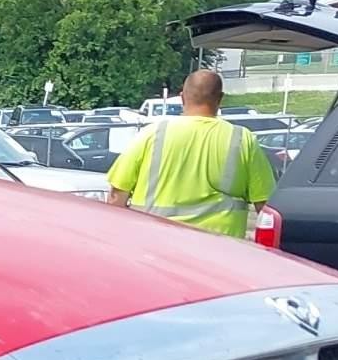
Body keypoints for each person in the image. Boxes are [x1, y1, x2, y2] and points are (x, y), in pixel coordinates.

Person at [106, 67, 277, 239]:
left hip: (155, 245)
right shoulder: (242, 139)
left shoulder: (153, 134)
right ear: (220, 99)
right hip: (221, 250)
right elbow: (265, 205)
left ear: (182, 97)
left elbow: (117, 197)